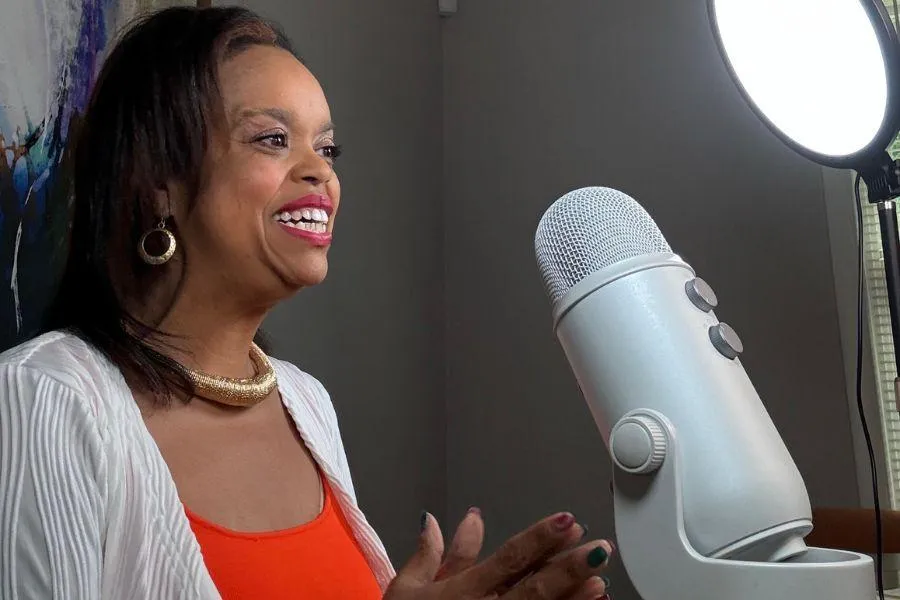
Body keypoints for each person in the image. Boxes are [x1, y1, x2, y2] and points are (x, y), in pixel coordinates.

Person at [0, 6, 614, 599]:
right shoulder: (45, 396)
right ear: (160, 184)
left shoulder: (304, 403)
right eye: (273, 139)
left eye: (327, 148)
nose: (320, 172)